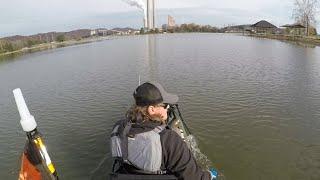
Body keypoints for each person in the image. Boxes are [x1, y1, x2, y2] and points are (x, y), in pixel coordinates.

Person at [110, 82, 216, 180]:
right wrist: (209, 175)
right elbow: (194, 178)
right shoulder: (169, 139)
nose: (168, 108)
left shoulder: (118, 127)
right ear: (152, 110)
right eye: (165, 105)